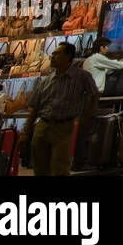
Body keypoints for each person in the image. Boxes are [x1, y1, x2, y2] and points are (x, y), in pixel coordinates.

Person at [22, 42, 99, 176]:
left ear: (68, 57)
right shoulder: (48, 80)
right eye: (53, 54)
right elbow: (35, 107)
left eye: (57, 54)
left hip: (63, 127)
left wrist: (86, 116)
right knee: (39, 166)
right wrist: (26, 132)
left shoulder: (81, 76)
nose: (52, 56)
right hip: (42, 125)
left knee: (59, 166)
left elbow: (94, 95)